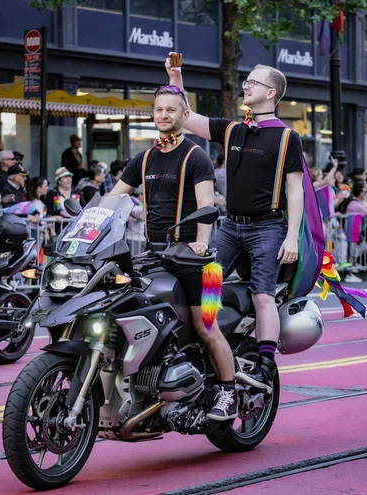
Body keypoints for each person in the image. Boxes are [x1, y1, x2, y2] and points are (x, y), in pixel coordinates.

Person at [166, 55, 305, 392]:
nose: (246, 85)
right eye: (246, 80)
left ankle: (266, 363)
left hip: (267, 228)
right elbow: (186, 118)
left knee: (262, 295)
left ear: (271, 93)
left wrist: (291, 238)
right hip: (230, 227)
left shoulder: (288, 137)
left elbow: (295, 189)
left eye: (253, 82)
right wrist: (175, 78)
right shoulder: (232, 129)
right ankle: (208, 337)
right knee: (208, 283)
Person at [109, 85, 237, 421]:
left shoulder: (196, 156)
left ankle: (227, 391)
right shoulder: (144, 159)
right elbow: (112, 199)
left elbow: (207, 206)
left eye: (170, 110)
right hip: (156, 256)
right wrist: (83, 222)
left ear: (183, 114)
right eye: (158, 110)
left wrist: (200, 243)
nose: (163, 115)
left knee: (206, 327)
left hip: (200, 263)